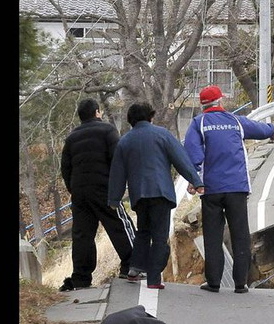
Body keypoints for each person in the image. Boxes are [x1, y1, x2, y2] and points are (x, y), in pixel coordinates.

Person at [183, 85, 274, 294]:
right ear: (220, 102)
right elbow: (260, 129)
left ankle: (214, 282)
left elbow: (193, 154)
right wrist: (271, 130)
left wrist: (193, 178)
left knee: (213, 235)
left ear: (203, 105)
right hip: (237, 187)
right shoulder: (235, 121)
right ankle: (240, 283)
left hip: (211, 189)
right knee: (240, 234)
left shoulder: (199, 123)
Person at [108, 102, 203, 289]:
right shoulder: (162, 135)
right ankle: (153, 279)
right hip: (161, 193)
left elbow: (117, 173)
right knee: (159, 236)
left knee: (143, 232)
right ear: (150, 117)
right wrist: (196, 181)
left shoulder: (125, 141)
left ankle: (134, 269)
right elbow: (180, 159)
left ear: (131, 120)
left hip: (139, 195)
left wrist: (114, 198)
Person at [59, 99, 136, 291]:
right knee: (118, 224)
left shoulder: (71, 137)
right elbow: (117, 159)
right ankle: (133, 264)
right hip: (104, 188)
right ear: (97, 112)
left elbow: (65, 167)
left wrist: (73, 188)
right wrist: (118, 186)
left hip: (80, 193)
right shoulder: (107, 130)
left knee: (82, 235)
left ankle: (81, 277)